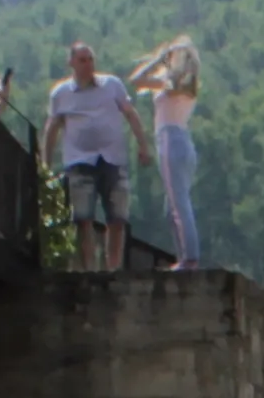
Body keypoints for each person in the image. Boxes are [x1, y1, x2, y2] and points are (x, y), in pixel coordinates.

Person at [41, 45, 139, 267]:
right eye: (82, 60)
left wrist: (142, 144)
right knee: (83, 219)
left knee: (117, 219)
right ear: (71, 63)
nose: (88, 64)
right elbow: (52, 128)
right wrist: (46, 162)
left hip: (112, 159)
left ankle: (113, 269)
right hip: (79, 161)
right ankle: (89, 270)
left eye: (90, 59)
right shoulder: (61, 93)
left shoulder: (111, 85)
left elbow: (130, 113)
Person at [135, 35, 206, 270]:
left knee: (179, 204)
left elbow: (137, 80)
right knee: (173, 206)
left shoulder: (172, 83)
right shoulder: (188, 84)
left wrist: (158, 60)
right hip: (183, 141)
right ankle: (184, 256)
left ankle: (189, 258)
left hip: (170, 139)